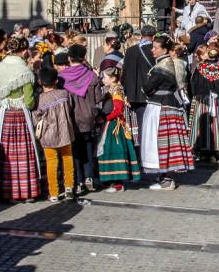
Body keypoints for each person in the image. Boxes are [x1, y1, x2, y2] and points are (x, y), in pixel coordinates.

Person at [0, 36, 41, 202]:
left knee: (1, 151)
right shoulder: (24, 71)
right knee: (20, 154)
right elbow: (29, 101)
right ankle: (23, 190)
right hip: (18, 114)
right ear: (24, 51)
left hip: (1, 113)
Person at [141, 35, 193, 190]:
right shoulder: (171, 63)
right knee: (166, 143)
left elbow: (147, 87)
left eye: (156, 47)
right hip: (169, 105)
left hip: (162, 107)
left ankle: (167, 179)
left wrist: (147, 85)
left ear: (164, 49)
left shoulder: (162, 67)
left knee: (163, 143)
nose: (152, 50)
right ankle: (165, 177)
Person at [96, 67, 141, 192]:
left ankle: (118, 183)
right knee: (106, 151)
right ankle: (110, 180)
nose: (103, 79)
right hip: (110, 124)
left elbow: (118, 109)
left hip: (114, 125)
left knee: (114, 151)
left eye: (105, 77)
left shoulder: (116, 90)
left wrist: (106, 118)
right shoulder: (110, 89)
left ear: (113, 78)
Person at [64, 43, 102, 192]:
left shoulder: (62, 78)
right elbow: (98, 98)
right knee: (88, 147)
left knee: (74, 150)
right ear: (84, 57)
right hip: (88, 117)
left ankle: (78, 181)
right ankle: (89, 178)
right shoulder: (91, 76)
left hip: (71, 118)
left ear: (69, 58)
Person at [35, 66, 76, 202]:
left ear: (40, 82)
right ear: (56, 81)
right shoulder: (64, 94)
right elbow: (70, 107)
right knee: (67, 158)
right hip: (65, 132)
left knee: (51, 163)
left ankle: (53, 193)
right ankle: (69, 187)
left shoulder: (40, 99)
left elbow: (36, 118)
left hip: (48, 135)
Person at [188, 48, 219, 164]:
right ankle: (217, 149)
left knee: (203, 124)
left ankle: (203, 150)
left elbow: (193, 86)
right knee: (218, 125)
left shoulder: (200, 68)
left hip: (204, 102)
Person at [122, 25, 156, 131]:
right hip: (152, 93)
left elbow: (125, 73)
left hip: (135, 94)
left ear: (141, 36)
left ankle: (142, 147)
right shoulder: (155, 51)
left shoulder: (130, 51)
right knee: (152, 125)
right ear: (153, 37)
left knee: (141, 124)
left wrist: (127, 93)